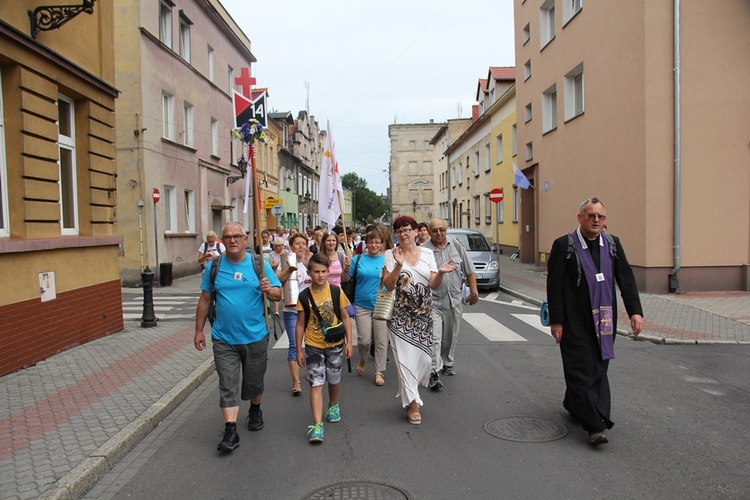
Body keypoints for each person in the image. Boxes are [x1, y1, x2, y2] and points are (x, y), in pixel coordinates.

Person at [546, 197, 644, 446]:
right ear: (580, 218)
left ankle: (573, 403)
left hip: (604, 318)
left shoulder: (612, 244)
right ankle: (595, 425)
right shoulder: (564, 245)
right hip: (574, 320)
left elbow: (626, 279)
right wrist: (557, 321)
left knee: (598, 370)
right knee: (580, 369)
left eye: (600, 216)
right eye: (591, 216)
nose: (596, 220)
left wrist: (635, 312)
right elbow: (554, 286)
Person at [194, 222, 282, 453]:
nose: (232, 240)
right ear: (222, 241)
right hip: (224, 338)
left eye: (237, 236)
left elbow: (278, 294)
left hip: (255, 336)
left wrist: (268, 289)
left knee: (254, 382)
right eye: (227, 237)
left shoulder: (259, 264)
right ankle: (230, 430)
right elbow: (205, 300)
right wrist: (198, 330)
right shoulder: (213, 267)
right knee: (228, 383)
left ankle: (254, 409)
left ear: (245, 239)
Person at [382, 216, 456, 425]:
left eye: (406, 230)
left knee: (423, 360)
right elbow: (388, 285)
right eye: (399, 231)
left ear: (416, 232)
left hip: (423, 316)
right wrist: (398, 266)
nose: (403, 234)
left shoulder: (428, 253)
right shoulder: (391, 254)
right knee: (404, 362)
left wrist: (441, 272)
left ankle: (412, 393)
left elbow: (433, 284)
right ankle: (413, 403)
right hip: (399, 317)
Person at [296, 253, 353, 443]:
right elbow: (300, 324)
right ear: (309, 273)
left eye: (323, 271)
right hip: (313, 345)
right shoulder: (304, 296)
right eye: (316, 272)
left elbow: (345, 316)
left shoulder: (336, 291)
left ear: (329, 272)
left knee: (334, 379)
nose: (320, 275)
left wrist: (350, 342)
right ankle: (317, 425)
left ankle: (333, 404)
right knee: (316, 383)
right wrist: (298, 349)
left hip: (335, 344)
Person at [420, 218, 479, 389]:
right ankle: (434, 372)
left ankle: (447, 362)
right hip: (432, 301)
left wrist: (474, 292)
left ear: (446, 230)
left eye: (441, 230)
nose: (439, 233)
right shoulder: (423, 251)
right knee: (435, 337)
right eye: (434, 230)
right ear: (429, 232)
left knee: (450, 336)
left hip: (454, 299)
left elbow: (470, 270)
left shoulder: (456, 245)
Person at [349, 227, 388, 386]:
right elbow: (347, 278)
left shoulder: (387, 259)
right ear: (366, 243)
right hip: (361, 304)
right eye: (371, 242)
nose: (374, 245)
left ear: (382, 244)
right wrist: (345, 268)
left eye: (377, 242)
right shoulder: (357, 259)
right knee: (364, 340)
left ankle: (379, 371)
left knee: (380, 340)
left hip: (381, 304)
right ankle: (363, 358)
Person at [276, 233, 312, 396]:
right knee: (294, 345)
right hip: (292, 310)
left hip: (310, 310)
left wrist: (308, 265)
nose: (301, 246)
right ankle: (296, 382)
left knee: (312, 344)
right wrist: (289, 270)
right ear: (291, 246)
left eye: (303, 243)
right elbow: (277, 280)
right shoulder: (284, 262)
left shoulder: (309, 262)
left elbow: (320, 279)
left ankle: (311, 372)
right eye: (297, 243)